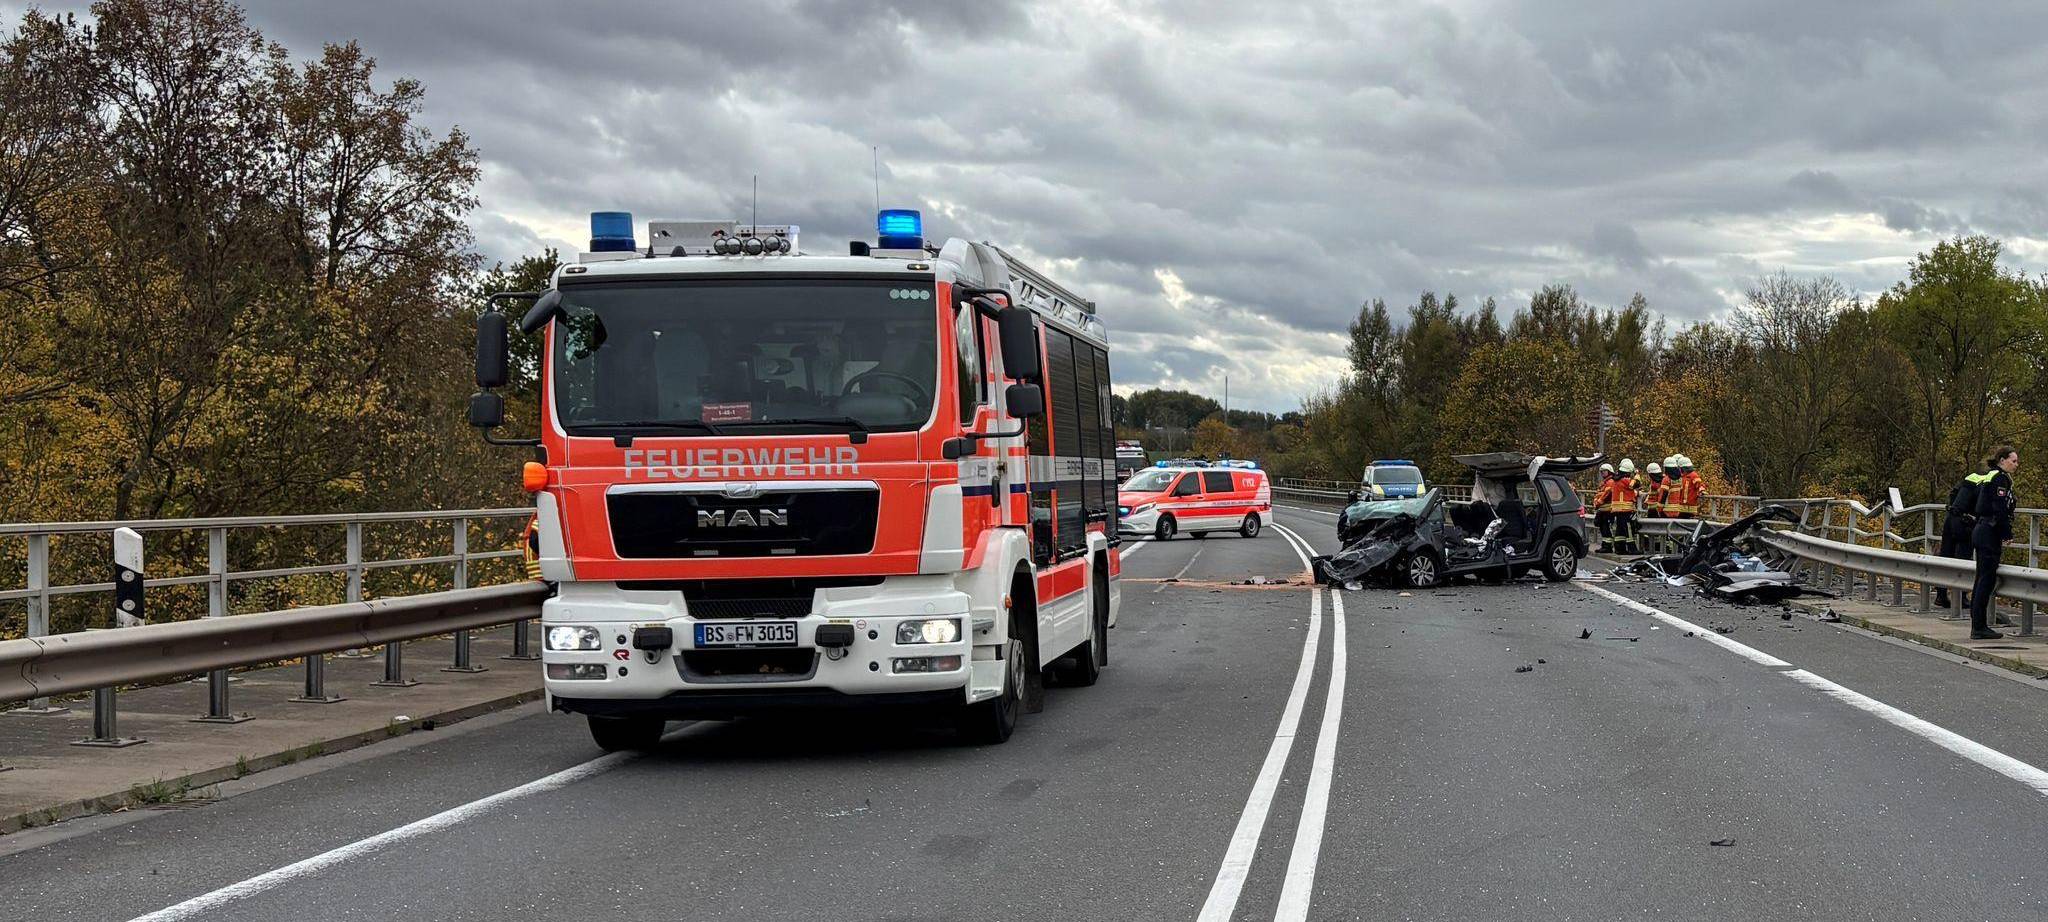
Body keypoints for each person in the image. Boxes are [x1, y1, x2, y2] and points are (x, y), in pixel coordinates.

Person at [1968, 446, 2020, 641]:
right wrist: (2007, 533)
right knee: (1986, 580)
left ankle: (1978, 624)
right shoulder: (1999, 478)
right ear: (2002, 460)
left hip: (1981, 529)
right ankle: (1979, 627)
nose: (2016, 465)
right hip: (1989, 532)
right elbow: (1999, 509)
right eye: (2013, 461)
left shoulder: (1990, 475)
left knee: (1981, 578)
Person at [1934, 468, 1996, 609]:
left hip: (1951, 518)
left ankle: (1941, 595)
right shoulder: (1988, 483)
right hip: (1965, 523)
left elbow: (1953, 494)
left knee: (1945, 556)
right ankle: (1961, 597)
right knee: (1963, 559)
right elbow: (1983, 506)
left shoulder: (1971, 477)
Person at [1592, 464, 1618, 552]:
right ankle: (1605, 545)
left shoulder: (1610, 482)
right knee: (1603, 527)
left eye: (1604, 471)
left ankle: (1607, 547)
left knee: (1605, 528)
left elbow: (1606, 495)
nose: (1602, 473)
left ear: (1609, 471)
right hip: (1602, 509)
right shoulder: (1605, 482)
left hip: (1607, 509)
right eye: (1601, 471)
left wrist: (1598, 503)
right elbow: (1599, 493)